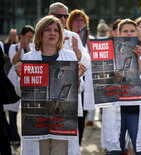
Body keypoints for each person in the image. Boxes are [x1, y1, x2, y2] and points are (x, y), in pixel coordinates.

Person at [15, 15, 86, 155]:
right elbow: (19, 91)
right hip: (38, 120)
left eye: (56, 30)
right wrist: (21, 78)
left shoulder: (70, 56)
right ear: (40, 34)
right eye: (48, 30)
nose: (53, 33)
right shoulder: (29, 58)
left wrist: (77, 78)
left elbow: (79, 88)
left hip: (62, 120)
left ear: (60, 35)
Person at [101, 19, 141, 155]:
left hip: (135, 108)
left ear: (136, 33)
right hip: (116, 107)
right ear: (118, 33)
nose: (129, 34)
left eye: (132, 31)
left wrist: (138, 59)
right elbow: (102, 81)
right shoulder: (109, 54)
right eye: (125, 31)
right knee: (115, 150)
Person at [66, 9, 95, 145]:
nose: (80, 22)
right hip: (66, 82)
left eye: (82, 20)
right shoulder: (65, 37)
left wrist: (88, 40)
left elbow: (95, 58)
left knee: (81, 116)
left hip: (83, 84)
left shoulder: (89, 40)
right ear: (70, 22)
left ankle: (77, 145)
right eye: (77, 20)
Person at [4, 25, 34, 147]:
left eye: (31, 37)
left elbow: (33, 61)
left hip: (28, 81)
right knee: (12, 112)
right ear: (21, 36)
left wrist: (27, 48)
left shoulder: (32, 48)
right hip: (14, 80)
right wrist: (21, 47)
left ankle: (28, 136)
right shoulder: (13, 47)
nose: (29, 39)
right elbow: (14, 61)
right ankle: (14, 137)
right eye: (27, 37)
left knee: (28, 110)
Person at [48, 2, 90, 69]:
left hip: (70, 78)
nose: (63, 19)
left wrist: (77, 51)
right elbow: (35, 59)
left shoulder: (73, 36)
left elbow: (87, 63)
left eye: (65, 16)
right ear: (50, 15)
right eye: (59, 16)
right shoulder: (42, 36)